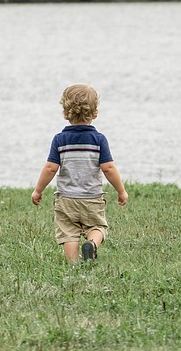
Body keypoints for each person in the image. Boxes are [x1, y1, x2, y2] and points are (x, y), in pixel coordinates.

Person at [31, 83, 128, 264]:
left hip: (66, 198)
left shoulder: (60, 139)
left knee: (69, 232)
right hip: (92, 197)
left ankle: (73, 266)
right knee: (97, 226)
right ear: (95, 113)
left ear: (65, 113)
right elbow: (108, 168)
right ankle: (92, 243)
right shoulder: (98, 140)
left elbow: (50, 168)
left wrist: (38, 190)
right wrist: (121, 191)